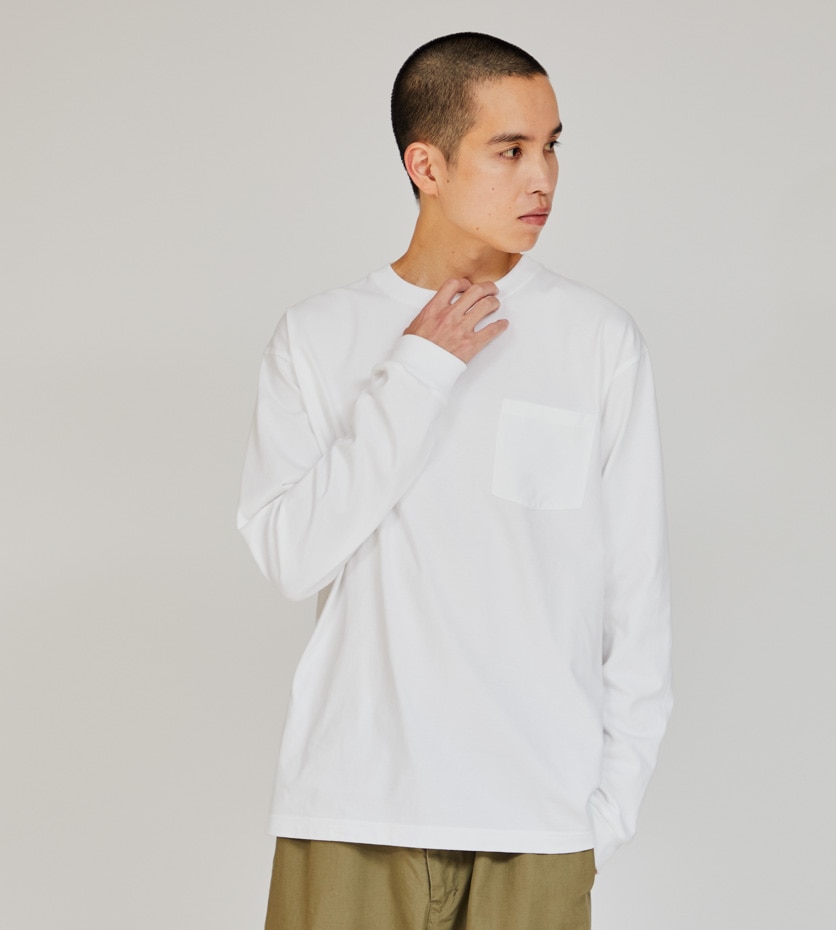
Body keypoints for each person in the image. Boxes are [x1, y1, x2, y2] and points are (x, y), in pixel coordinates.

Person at [237, 31, 672, 930]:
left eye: (551, 145)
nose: (542, 177)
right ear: (426, 164)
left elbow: (636, 596)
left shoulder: (596, 340)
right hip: (351, 814)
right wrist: (417, 373)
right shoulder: (317, 338)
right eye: (509, 150)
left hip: (537, 826)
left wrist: (605, 815)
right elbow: (292, 557)